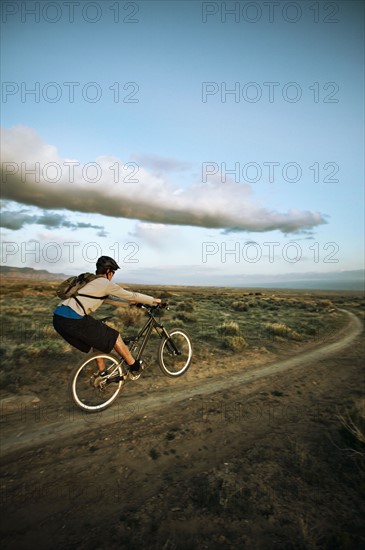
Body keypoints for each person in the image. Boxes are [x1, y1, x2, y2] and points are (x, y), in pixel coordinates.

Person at [53, 255, 161, 376]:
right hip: (72, 319)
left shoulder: (91, 281)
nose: (113, 275)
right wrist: (155, 300)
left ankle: (102, 375)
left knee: (98, 339)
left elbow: (107, 300)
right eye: (113, 272)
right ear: (108, 271)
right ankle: (135, 367)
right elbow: (132, 295)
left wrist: (130, 305)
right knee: (115, 337)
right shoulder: (104, 283)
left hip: (58, 318)